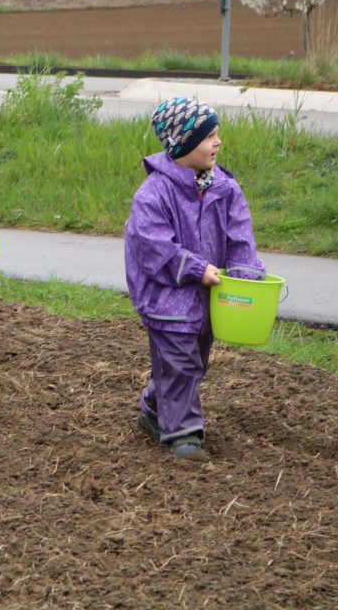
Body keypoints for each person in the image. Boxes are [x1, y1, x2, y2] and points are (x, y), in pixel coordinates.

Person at [124, 97, 265, 462]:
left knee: (192, 364)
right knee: (181, 363)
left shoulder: (225, 188)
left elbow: (240, 238)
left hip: (208, 299)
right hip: (166, 297)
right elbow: (151, 245)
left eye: (217, 134)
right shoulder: (154, 194)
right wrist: (194, 268)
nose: (217, 142)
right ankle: (184, 435)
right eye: (208, 137)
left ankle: (155, 408)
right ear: (182, 144)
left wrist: (246, 277)